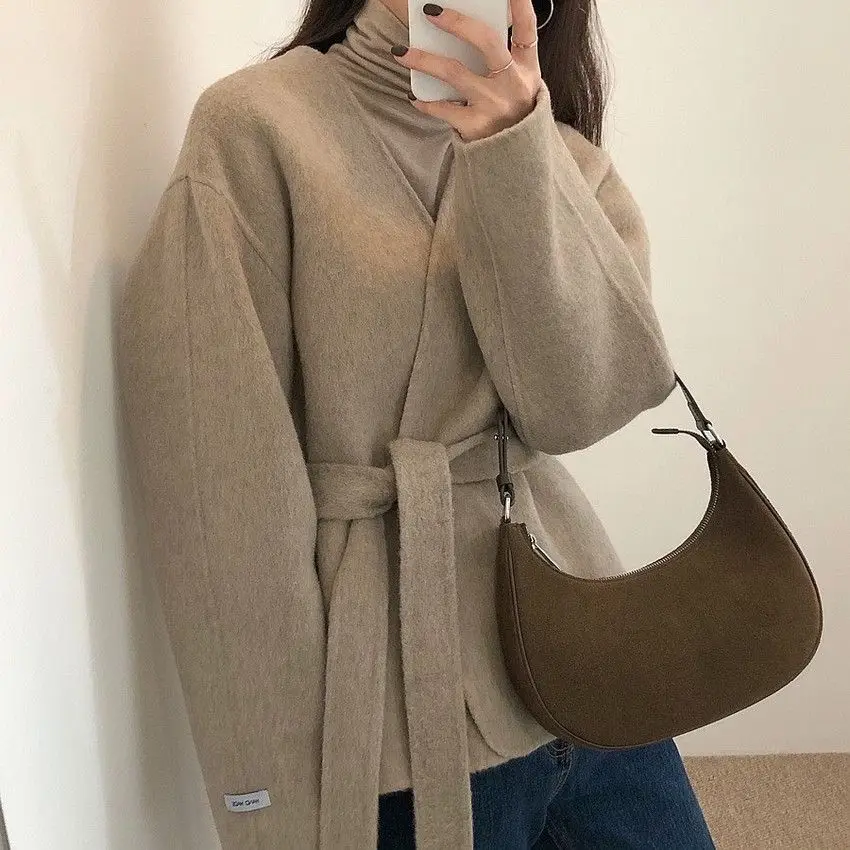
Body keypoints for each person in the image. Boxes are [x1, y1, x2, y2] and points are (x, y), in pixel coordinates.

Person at [116, 0, 716, 846]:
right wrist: (266, 794)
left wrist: (515, 152)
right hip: (394, 712)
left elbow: (582, 406)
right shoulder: (256, 127)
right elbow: (221, 493)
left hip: (580, 651)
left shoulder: (563, 157)